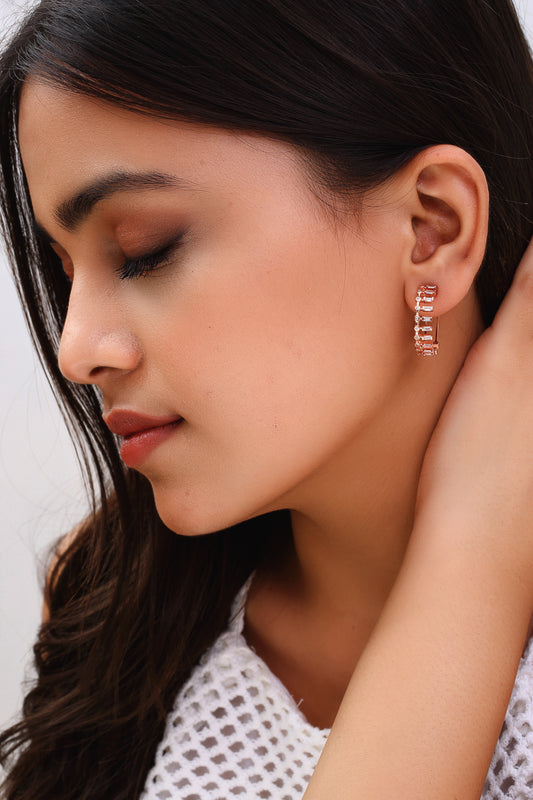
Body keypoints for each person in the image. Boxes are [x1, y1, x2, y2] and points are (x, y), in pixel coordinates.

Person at [0, 1, 533, 798]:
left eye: (145, 249)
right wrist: (471, 548)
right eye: (67, 272)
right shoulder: (110, 600)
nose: (76, 350)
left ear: (431, 228)